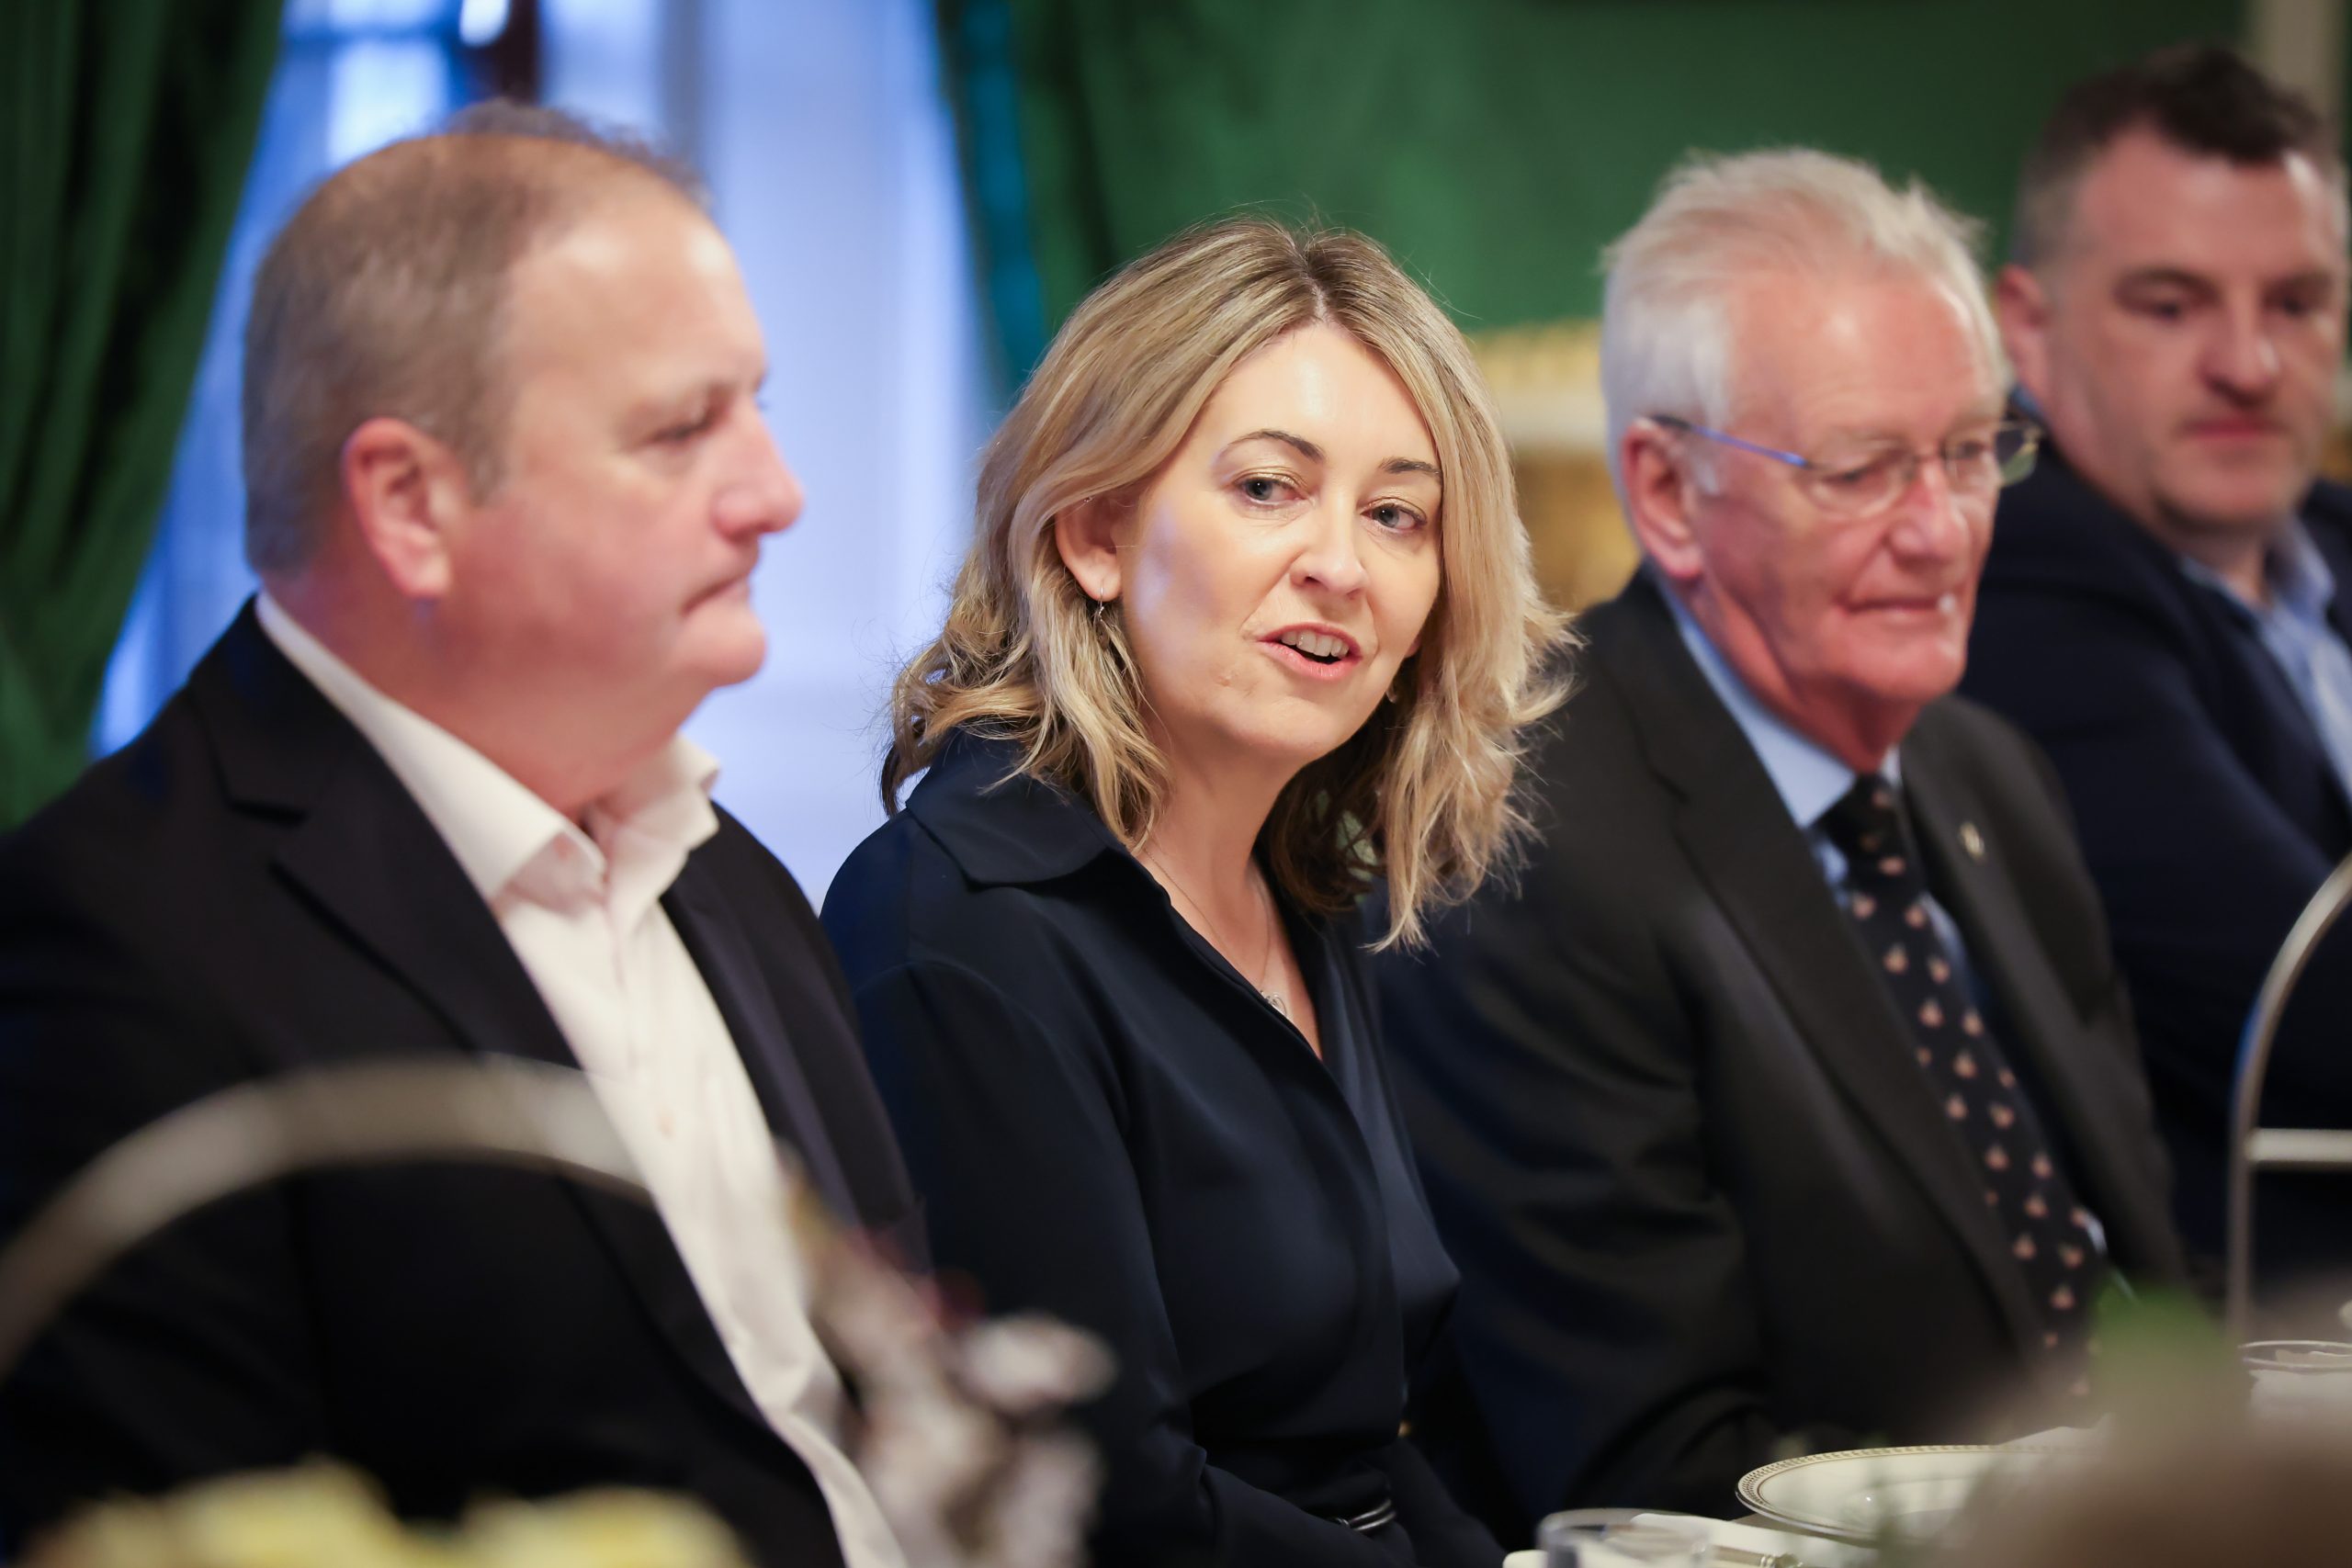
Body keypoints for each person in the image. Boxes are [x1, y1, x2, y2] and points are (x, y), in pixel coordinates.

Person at [0, 106, 922, 1568]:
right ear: (411, 503)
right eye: (684, 429)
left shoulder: (730, 876)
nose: (776, 493)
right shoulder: (109, 944)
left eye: (756, 406)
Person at [1375, 150, 2186, 1534]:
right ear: (1672, 493)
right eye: (1865, 469)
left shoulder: (1988, 773)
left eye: (1978, 450)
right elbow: (1663, 1479)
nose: (1942, 531)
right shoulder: (1527, 851)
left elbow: (2137, 1287)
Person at [820, 216, 1564, 1565]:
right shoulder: (959, 930)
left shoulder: (1306, 890)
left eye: (1397, 514)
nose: (1342, 562)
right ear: (1096, 531)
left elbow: (1370, 1451)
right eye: (1270, 488)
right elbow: (1120, 1517)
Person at [1962, 45, 2352, 1286]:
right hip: (2243, 1397)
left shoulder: (2338, 539)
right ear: (2030, 324)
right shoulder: (2019, 586)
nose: (2249, 362)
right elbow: (2319, 1019)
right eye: (2171, 305)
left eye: (2296, 302)